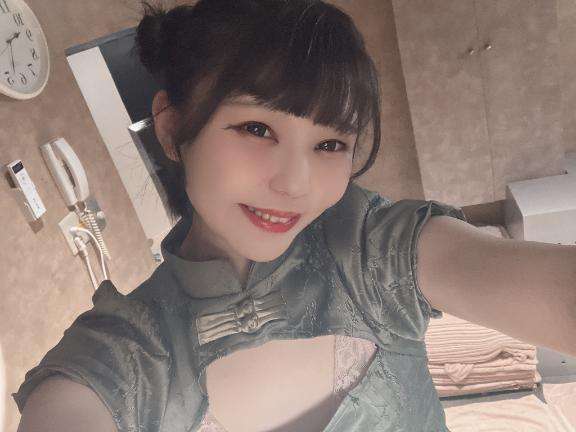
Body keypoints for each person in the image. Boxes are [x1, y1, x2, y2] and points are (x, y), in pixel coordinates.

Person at [13, 0, 479, 431]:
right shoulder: (120, 358)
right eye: (257, 128)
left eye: (330, 143)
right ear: (172, 128)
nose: (295, 184)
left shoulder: (373, 249)